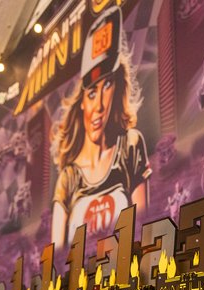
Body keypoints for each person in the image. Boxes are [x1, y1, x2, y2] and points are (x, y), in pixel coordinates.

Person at [52, 6, 151, 249]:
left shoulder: (130, 146)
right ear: (82, 102)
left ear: (116, 90)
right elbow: (54, 255)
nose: (98, 106)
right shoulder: (68, 178)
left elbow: (144, 229)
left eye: (107, 86)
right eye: (91, 93)